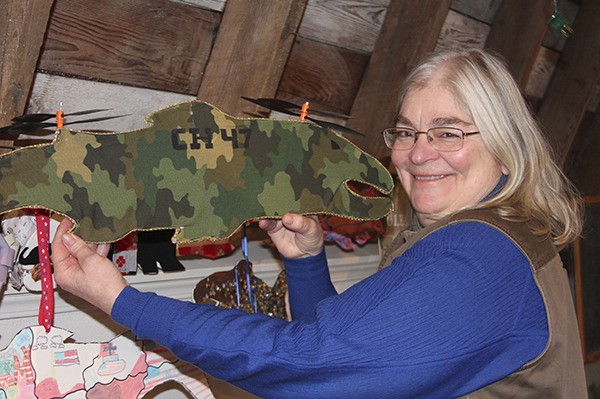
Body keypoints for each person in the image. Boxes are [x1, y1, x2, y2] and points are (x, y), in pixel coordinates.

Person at [51, 48, 587, 398]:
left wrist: (124, 302)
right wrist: (307, 263)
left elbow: (315, 365)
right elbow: (351, 350)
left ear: (504, 142)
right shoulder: (464, 233)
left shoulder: (478, 257)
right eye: (405, 132)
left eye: (448, 132)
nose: (418, 154)